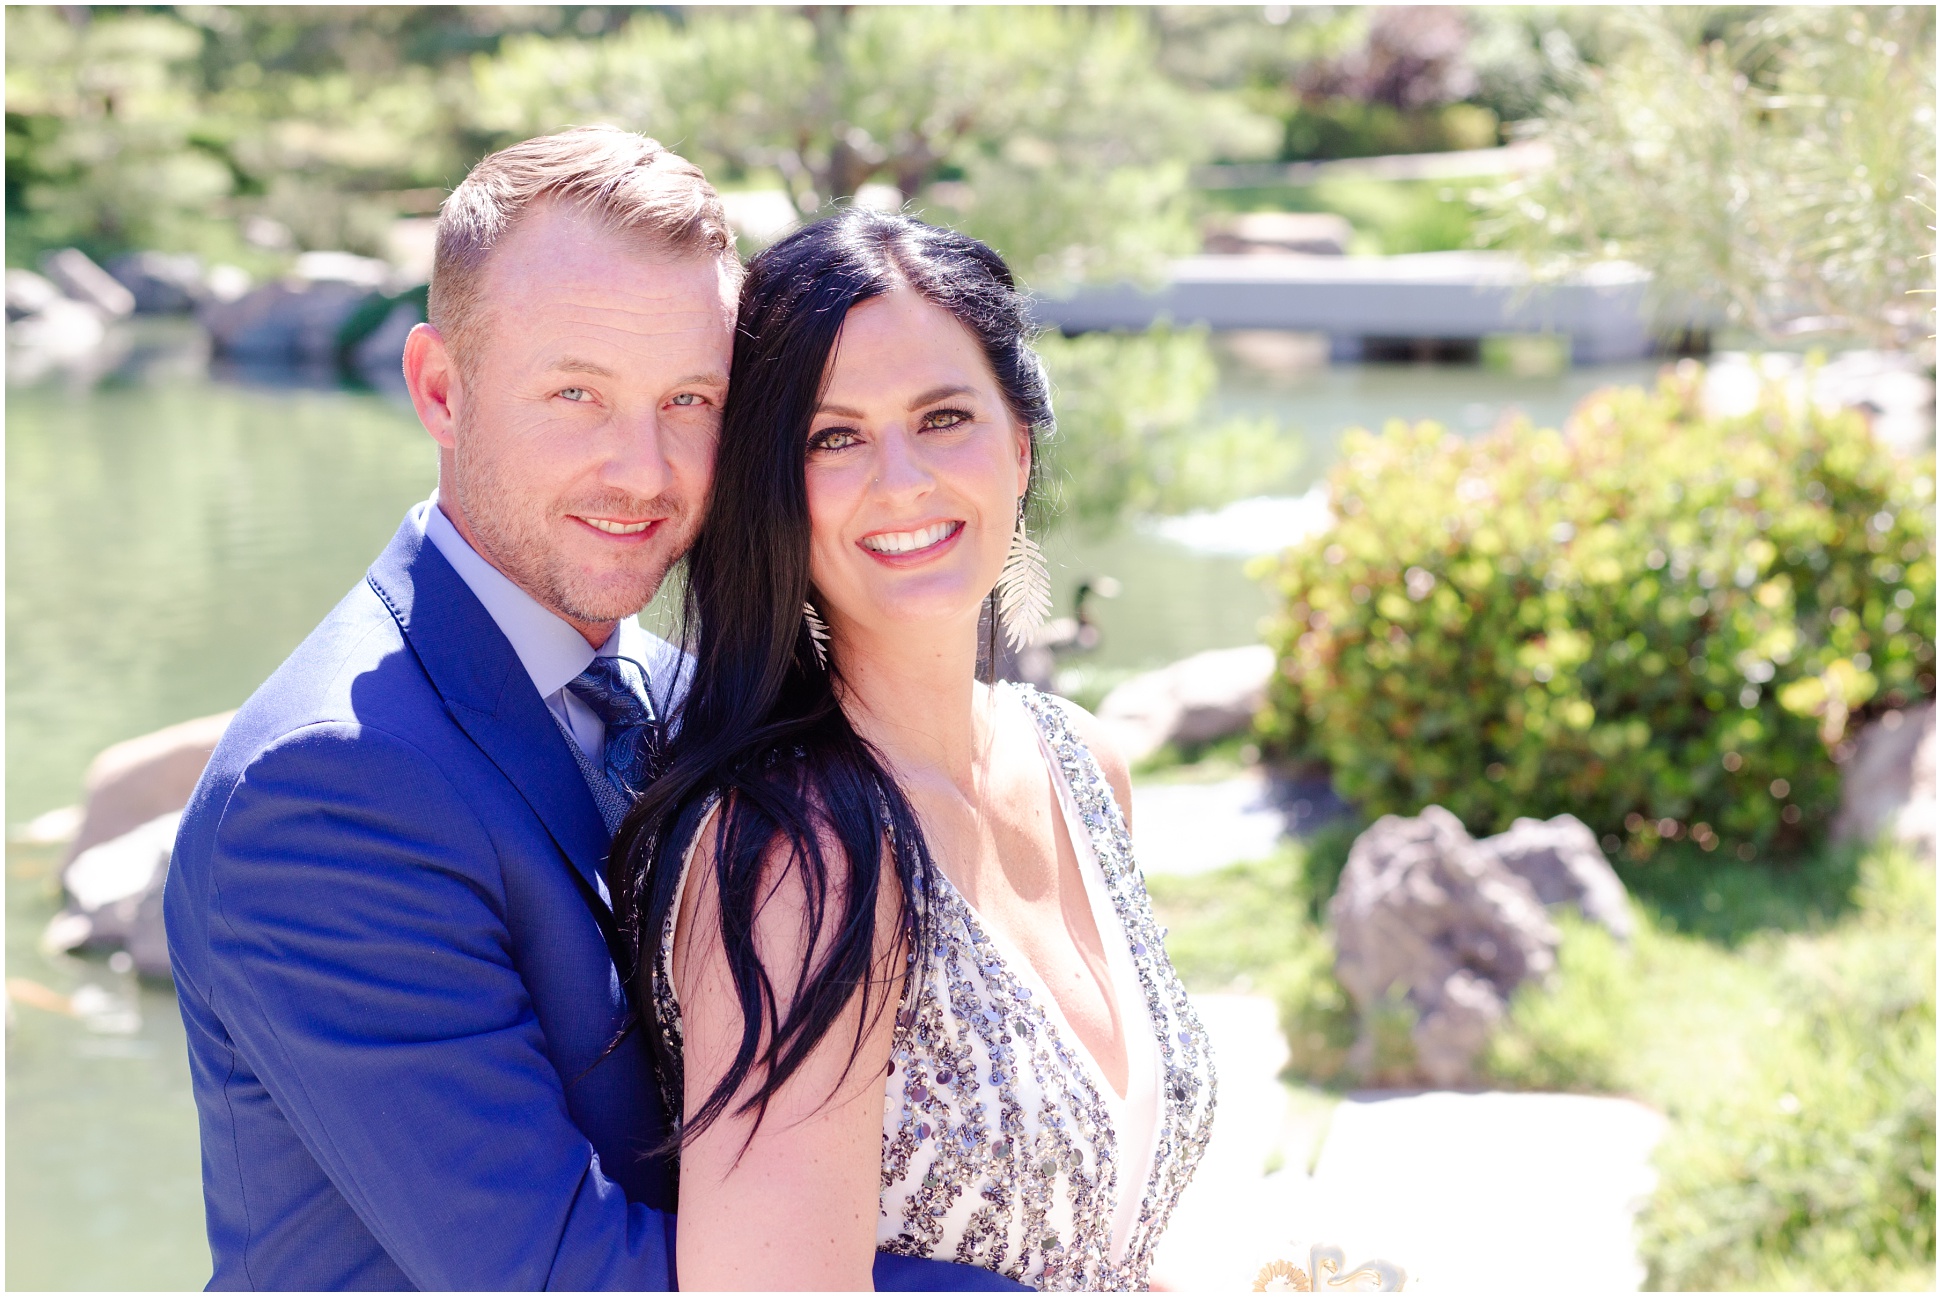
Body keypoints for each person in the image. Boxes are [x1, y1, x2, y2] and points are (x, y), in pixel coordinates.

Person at [163, 127, 1022, 1291]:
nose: (644, 467)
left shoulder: (679, 699)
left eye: (689, 398)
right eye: (576, 394)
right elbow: (554, 1270)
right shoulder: (330, 790)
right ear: (440, 390)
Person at [614, 210, 1217, 1292]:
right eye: (832, 436)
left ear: (1019, 446)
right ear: (771, 492)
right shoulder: (798, 857)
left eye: (943, 417)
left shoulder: (1081, 762)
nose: (902, 481)